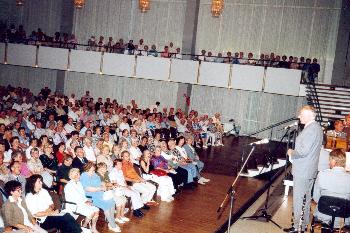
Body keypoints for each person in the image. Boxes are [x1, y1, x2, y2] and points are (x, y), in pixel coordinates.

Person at [285, 106, 323, 233]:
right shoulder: (316, 128)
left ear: (309, 116)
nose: (299, 116)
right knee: (306, 199)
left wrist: (291, 151)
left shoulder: (311, 129)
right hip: (308, 169)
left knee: (298, 199)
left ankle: (297, 227)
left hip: (303, 170)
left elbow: (303, 151)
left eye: (301, 114)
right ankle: (303, 224)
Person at [313, 149, 350, 228]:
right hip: (343, 217)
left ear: (333, 161)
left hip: (323, 214)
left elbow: (316, 198)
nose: (328, 162)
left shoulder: (322, 174)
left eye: (329, 160)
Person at [80, 162, 121, 232]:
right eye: (91, 170)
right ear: (87, 169)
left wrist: (104, 185)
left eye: (93, 170)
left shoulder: (94, 175)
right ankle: (112, 224)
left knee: (112, 202)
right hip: (90, 197)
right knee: (107, 205)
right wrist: (100, 188)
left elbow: (101, 182)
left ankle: (111, 222)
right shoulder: (84, 176)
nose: (93, 172)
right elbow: (87, 188)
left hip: (100, 194)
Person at [64, 168, 100, 233]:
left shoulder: (79, 183)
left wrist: (87, 201)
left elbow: (83, 195)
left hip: (83, 203)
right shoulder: (69, 185)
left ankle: (93, 228)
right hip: (74, 205)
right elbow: (72, 199)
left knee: (96, 210)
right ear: (72, 176)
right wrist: (84, 202)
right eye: (77, 174)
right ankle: (84, 227)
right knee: (91, 212)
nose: (79, 176)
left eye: (78, 174)